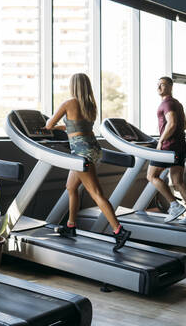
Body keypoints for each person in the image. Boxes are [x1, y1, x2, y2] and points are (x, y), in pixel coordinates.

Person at [45, 73, 131, 252]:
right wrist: (64, 126)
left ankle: (119, 231)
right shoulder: (90, 105)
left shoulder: (68, 103)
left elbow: (48, 125)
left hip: (81, 153)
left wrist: (48, 125)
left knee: (96, 193)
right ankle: (71, 225)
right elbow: (79, 126)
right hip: (92, 149)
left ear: (73, 86)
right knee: (71, 187)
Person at [147, 76, 186, 224]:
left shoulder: (167, 103)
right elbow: (183, 125)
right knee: (178, 182)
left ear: (170, 87)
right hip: (179, 146)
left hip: (168, 146)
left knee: (151, 176)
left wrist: (161, 140)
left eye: (163, 85)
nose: (159, 87)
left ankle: (174, 205)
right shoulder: (177, 103)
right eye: (157, 84)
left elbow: (172, 123)